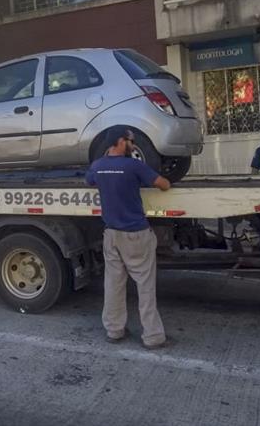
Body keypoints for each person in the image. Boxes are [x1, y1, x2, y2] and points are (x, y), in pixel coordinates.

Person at [85, 125, 171, 350]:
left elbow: (89, 181)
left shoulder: (98, 166)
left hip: (111, 234)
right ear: (121, 141)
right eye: (131, 141)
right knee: (145, 286)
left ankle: (114, 330)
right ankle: (153, 336)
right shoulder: (134, 166)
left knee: (113, 284)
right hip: (136, 234)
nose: (133, 145)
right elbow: (163, 184)